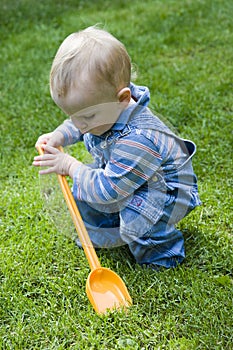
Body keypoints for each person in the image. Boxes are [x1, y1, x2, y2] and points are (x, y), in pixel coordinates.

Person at [33, 26, 201, 270]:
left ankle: (162, 255)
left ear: (123, 99)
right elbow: (78, 125)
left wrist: (70, 165)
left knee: (137, 216)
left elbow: (108, 190)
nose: (80, 124)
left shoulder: (138, 140)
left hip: (163, 192)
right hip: (124, 178)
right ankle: (104, 230)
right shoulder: (104, 109)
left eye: (87, 116)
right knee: (83, 192)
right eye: (72, 115)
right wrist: (59, 135)